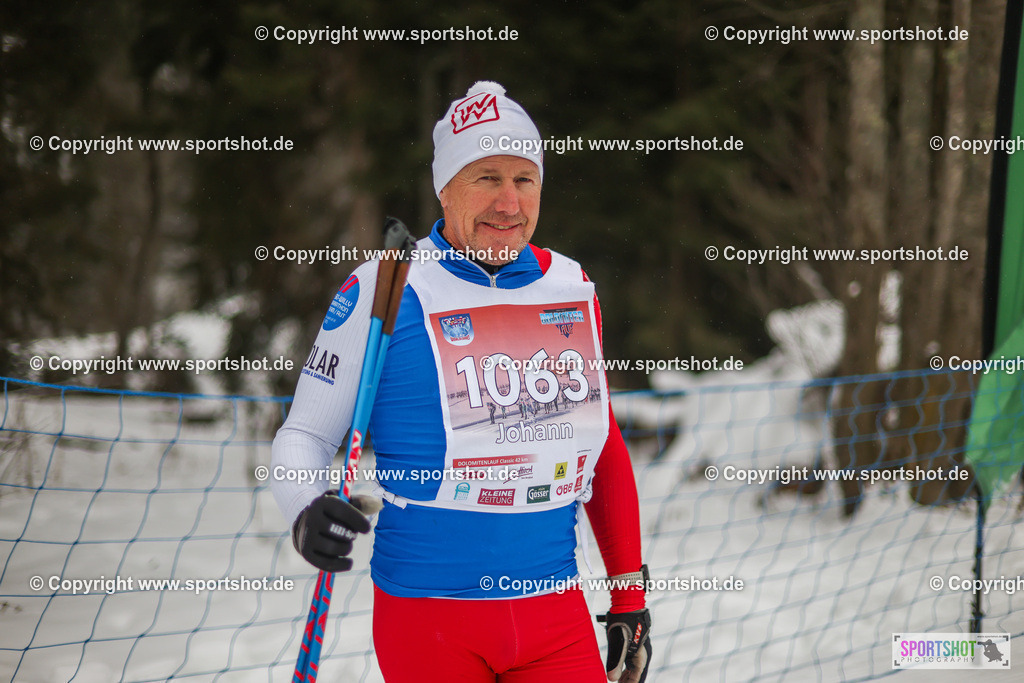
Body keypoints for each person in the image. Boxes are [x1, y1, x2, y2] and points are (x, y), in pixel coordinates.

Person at [272, 81, 651, 683]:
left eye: (524, 179)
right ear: (444, 188)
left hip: (555, 617)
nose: (508, 203)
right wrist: (304, 508)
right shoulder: (386, 287)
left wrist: (629, 594)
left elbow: (600, 443)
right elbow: (304, 435)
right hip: (430, 620)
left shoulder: (572, 287)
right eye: (486, 177)